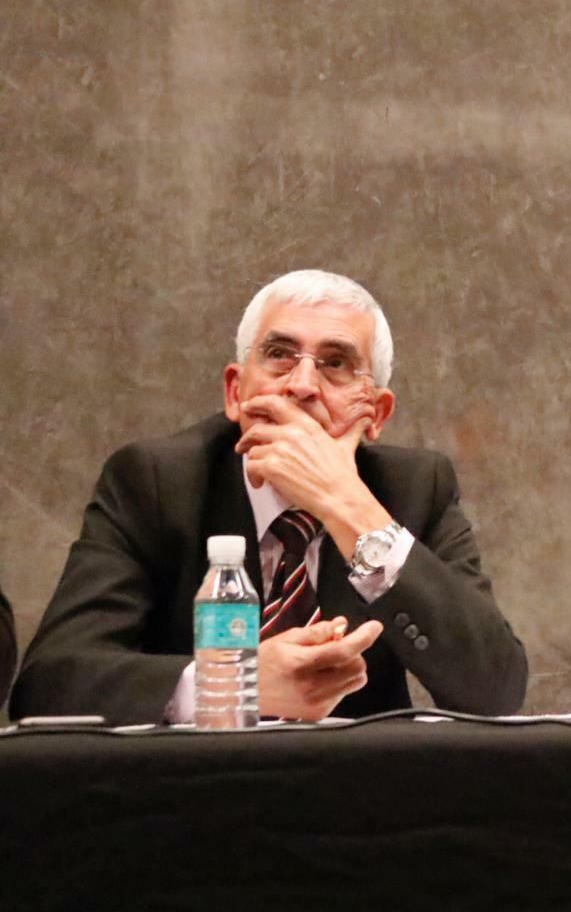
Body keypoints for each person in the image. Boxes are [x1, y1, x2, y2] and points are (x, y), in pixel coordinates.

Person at [11, 270, 527, 723]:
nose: (302, 385)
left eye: (336, 364)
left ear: (377, 415)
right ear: (236, 392)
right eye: (279, 356)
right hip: (184, 806)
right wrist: (238, 684)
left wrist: (349, 506)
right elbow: (49, 686)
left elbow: (494, 692)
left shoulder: (414, 490)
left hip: (363, 810)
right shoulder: (156, 481)